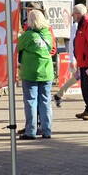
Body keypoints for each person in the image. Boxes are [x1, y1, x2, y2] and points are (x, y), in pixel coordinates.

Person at [18, 9, 56, 139]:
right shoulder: (48, 34)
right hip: (47, 72)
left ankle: (31, 131)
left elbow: (17, 47)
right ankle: (47, 130)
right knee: (45, 102)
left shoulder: (28, 35)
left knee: (31, 101)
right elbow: (52, 49)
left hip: (31, 72)